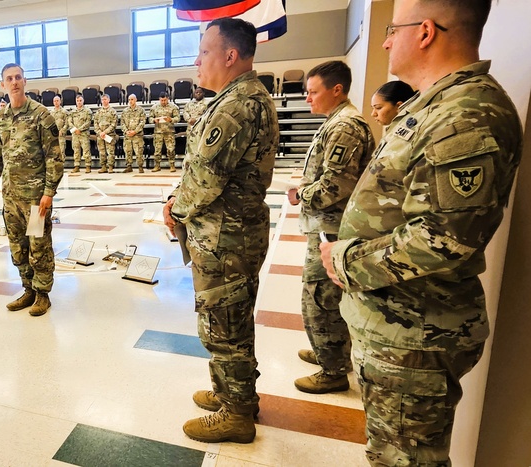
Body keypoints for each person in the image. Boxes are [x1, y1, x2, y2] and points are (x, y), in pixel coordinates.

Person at [321, 0, 522, 464]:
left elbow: (445, 238)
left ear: (426, 31)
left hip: (417, 334)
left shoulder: (465, 114)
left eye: (393, 29)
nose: (387, 40)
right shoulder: (435, 105)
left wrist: (346, 261)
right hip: (399, 326)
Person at [162, 17, 278, 443]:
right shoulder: (241, 98)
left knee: (224, 324)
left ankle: (237, 413)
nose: (197, 61)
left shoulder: (236, 105)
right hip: (231, 231)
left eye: (204, 51)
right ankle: (230, 392)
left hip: (226, 236)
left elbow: (207, 179)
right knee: (226, 319)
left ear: (230, 55)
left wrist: (177, 207)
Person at [285, 60, 375, 395]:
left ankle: (332, 368)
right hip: (329, 223)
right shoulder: (337, 121)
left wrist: (301, 193)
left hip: (332, 226)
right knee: (327, 295)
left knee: (319, 297)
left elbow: (336, 185)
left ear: (336, 89)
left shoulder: (345, 127)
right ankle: (333, 350)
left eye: (313, 92)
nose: (308, 99)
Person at [0, 63, 63, 317]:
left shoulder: (41, 115)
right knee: (18, 247)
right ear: (3, 85)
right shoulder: (0, 120)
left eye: (18, 77)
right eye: (9, 78)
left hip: (35, 200)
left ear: (25, 81)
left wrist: (49, 192)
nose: (15, 82)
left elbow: (54, 157)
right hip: (11, 198)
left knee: (39, 247)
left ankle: (42, 295)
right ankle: (28, 289)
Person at [149, 91, 180, 172]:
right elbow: (150, 118)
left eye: (165, 100)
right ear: (159, 99)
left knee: (171, 149)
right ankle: (157, 165)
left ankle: (172, 165)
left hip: (169, 131)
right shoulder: (154, 107)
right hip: (158, 131)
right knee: (157, 150)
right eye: (162, 100)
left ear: (168, 99)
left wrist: (171, 119)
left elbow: (178, 118)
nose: (163, 102)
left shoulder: (173, 107)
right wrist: (154, 120)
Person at [121, 94, 146, 173]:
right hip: (128, 135)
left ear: (135, 100)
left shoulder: (141, 110)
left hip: (137, 135)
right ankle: (129, 166)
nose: (130, 101)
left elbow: (142, 122)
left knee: (139, 151)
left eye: (132, 99)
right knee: (128, 151)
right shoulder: (125, 111)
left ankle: (140, 166)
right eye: (129, 99)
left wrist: (135, 131)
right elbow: (122, 123)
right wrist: (126, 131)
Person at [93, 94, 118, 173]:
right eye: (102, 99)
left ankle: (110, 167)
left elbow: (114, 124)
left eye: (105, 99)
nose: (104, 101)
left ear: (109, 100)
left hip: (109, 135)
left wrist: (105, 132)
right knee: (102, 151)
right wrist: (100, 132)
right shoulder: (98, 112)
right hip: (100, 135)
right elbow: (95, 123)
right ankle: (103, 166)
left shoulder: (113, 111)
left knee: (110, 151)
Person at [68, 95, 92, 173]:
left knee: (86, 150)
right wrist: (75, 129)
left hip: (84, 134)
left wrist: (80, 129)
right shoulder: (72, 111)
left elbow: (88, 122)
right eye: (77, 101)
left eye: (80, 100)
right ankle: (76, 166)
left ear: (83, 101)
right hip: (75, 134)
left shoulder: (87, 111)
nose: (79, 102)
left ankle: (88, 166)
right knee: (76, 150)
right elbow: (69, 122)